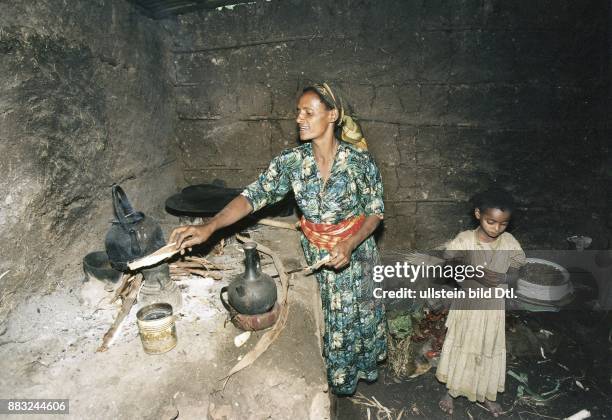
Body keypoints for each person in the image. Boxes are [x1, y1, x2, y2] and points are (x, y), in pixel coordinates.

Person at [170, 83, 387, 395]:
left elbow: (375, 212)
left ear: (332, 115)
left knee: (357, 317)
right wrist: (211, 226)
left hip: (356, 256)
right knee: (331, 323)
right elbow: (252, 196)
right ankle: (335, 384)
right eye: (298, 111)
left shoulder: (359, 162)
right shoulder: (292, 162)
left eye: (308, 112)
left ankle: (356, 381)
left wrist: (350, 243)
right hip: (318, 256)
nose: (299, 118)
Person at [436, 188, 526, 416]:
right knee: (462, 343)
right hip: (467, 307)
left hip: (492, 309)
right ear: (478, 214)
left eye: (503, 224)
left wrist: (505, 277)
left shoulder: (509, 243)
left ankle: (484, 394)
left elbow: (517, 272)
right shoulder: (464, 240)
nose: (497, 228)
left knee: (488, 346)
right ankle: (452, 390)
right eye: (491, 222)